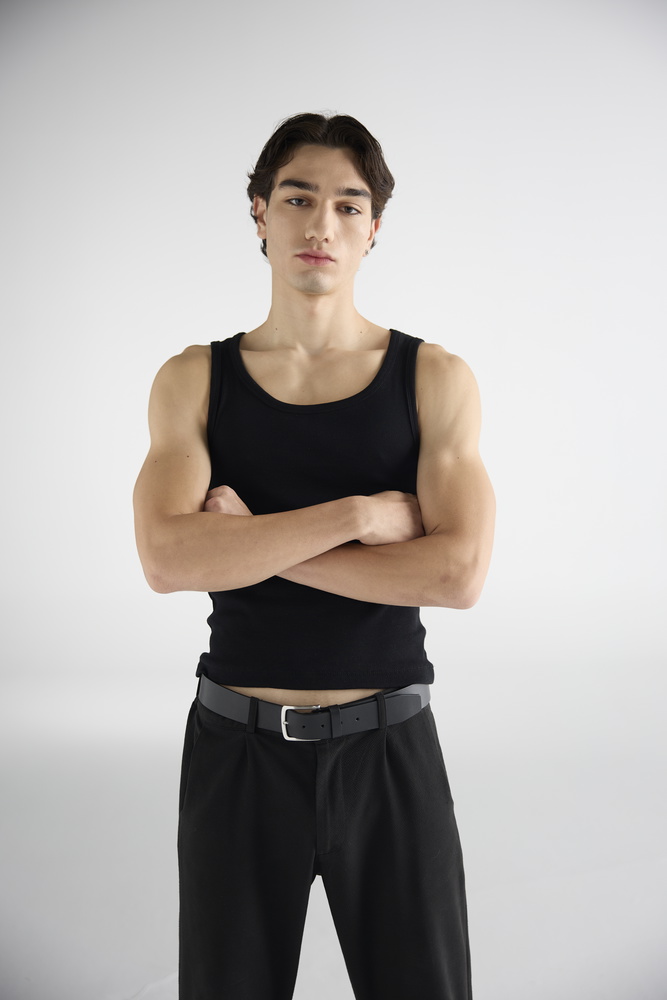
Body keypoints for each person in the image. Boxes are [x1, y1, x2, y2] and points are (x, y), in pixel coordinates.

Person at [133, 112, 495, 1000]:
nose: (320, 224)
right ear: (259, 212)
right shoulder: (194, 379)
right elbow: (168, 558)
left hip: (389, 748)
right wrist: (357, 514)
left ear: (374, 227)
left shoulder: (432, 378)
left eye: (347, 204)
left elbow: (456, 575)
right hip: (238, 752)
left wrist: (249, 540)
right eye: (297, 199)